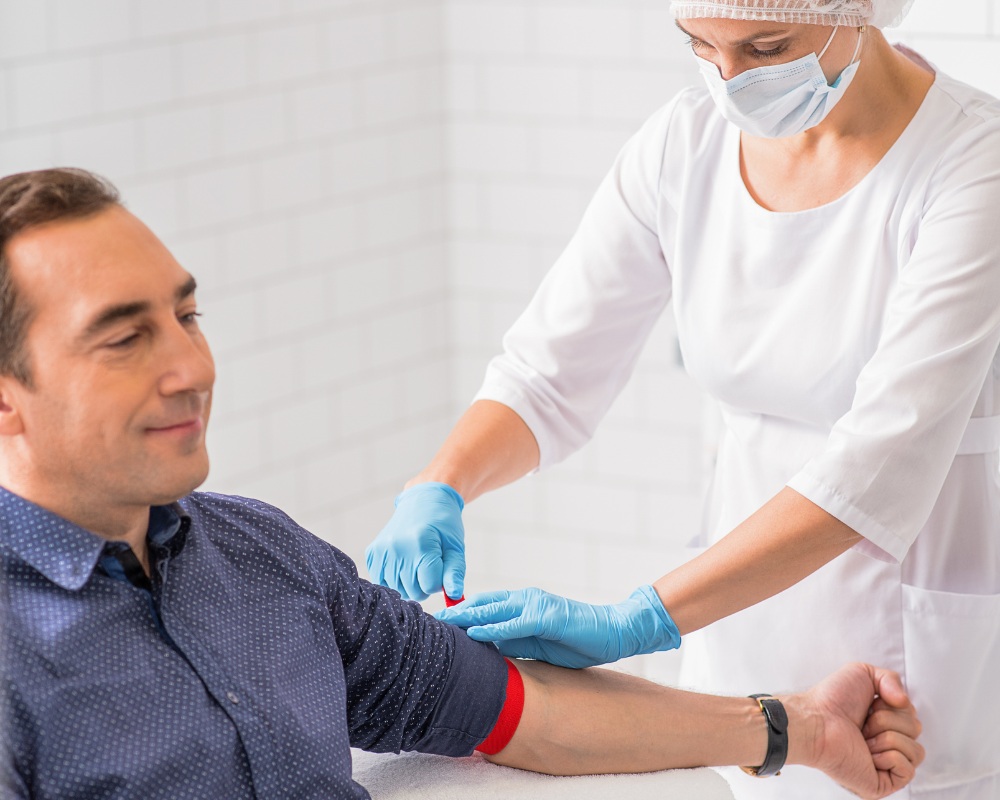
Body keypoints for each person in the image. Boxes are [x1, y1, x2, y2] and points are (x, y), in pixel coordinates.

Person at [0, 169, 924, 800]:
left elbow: (519, 711)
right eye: (125, 338)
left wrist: (792, 727)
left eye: (187, 314)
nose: (189, 367)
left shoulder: (256, 553)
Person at [365, 1, 1000, 798]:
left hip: (907, 672)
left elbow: (875, 470)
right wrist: (444, 483)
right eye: (701, 44)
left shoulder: (974, 165)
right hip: (735, 630)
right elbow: (548, 371)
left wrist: (638, 619)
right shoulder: (686, 141)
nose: (728, 79)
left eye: (767, 46)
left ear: (858, 14)